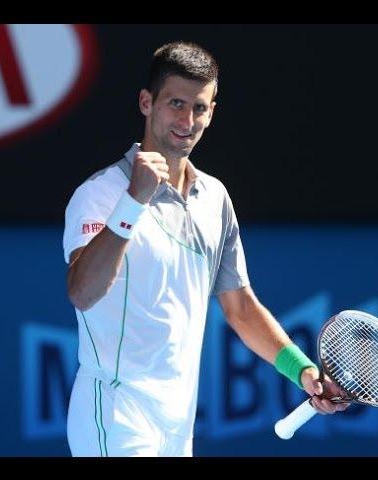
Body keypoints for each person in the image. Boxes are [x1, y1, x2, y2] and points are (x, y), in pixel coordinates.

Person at [63, 41, 349, 457]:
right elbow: (82, 292)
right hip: (114, 412)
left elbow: (240, 307)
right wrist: (132, 202)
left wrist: (301, 370)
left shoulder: (214, 198)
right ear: (146, 102)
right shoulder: (100, 195)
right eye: (175, 103)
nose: (187, 120)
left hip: (177, 426)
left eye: (199, 107)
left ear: (212, 112)